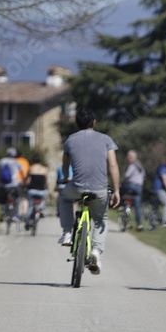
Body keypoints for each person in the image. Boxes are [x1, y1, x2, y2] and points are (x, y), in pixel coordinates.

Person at [58, 107, 120, 274]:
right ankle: (96, 251)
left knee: (64, 198)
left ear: (77, 123)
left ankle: (67, 233)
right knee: (101, 218)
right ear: (94, 122)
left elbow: (65, 164)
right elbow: (113, 165)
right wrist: (116, 190)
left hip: (76, 187)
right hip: (99, 189)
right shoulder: (106, 139)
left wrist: (65, 177)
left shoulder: (70, 140)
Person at [0, 147, 25, 221]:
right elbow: (21, 173)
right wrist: (23, 181)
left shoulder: (1, 161)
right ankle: (15, 214)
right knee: (17, 198)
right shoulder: (16, 162)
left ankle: (2, 211)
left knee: (3, 199)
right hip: (14, 184)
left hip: (3, 184)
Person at [120, 150, 146, 229]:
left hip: (131, 185)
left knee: (120, 189)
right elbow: (144, 175)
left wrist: (121, 182)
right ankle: (139, 224)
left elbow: (127, 175)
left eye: (129, 156)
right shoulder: (140, 166)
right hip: (139, 187)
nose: (128, 158)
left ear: (134, 158)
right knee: (137, 206)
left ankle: (121, 205)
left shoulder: (132, 165)